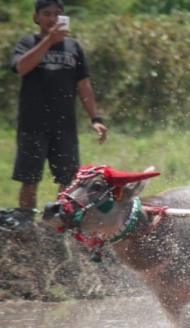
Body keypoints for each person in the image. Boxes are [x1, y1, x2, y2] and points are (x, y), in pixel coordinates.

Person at [10, 0, 108, 224]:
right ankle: (25, 227)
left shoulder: (73, 47)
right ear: (36, 17)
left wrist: (96, 118)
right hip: (32, 124)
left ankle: (57, 225)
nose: (52, 18)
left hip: (64, 126)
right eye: (47, 14)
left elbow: (83, 85)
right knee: (30, 178)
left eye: (57, 14)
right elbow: (21, 68)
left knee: (68, 179)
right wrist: (48, 42)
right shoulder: (27, 42)